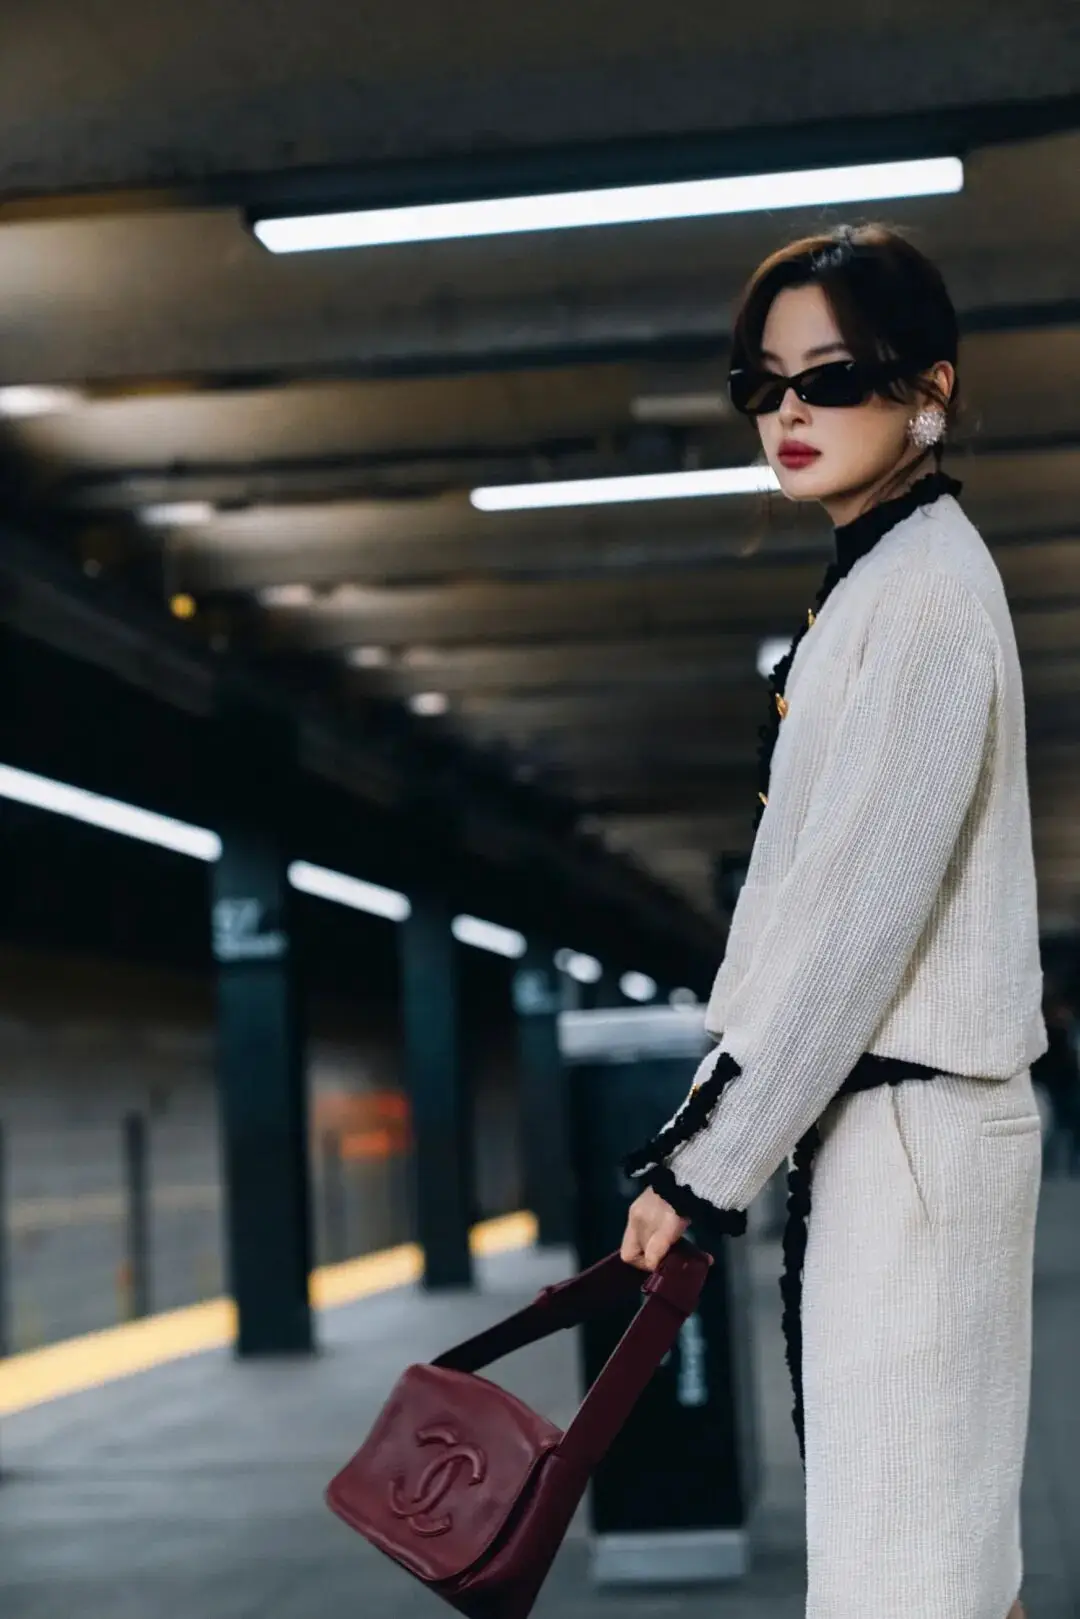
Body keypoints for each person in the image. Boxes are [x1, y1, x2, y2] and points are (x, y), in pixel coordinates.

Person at [619, 224, 1045, 1619]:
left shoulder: (921, 595)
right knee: (925, 1564)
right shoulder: (886, 578)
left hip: (916, 1139)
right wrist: (711, 1146)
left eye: (833, 377)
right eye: (763, 382)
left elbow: (854, 924)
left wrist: (701, 1169)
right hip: (897, 1137)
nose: (787, 411)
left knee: (906, 1575)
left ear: (931, 391)